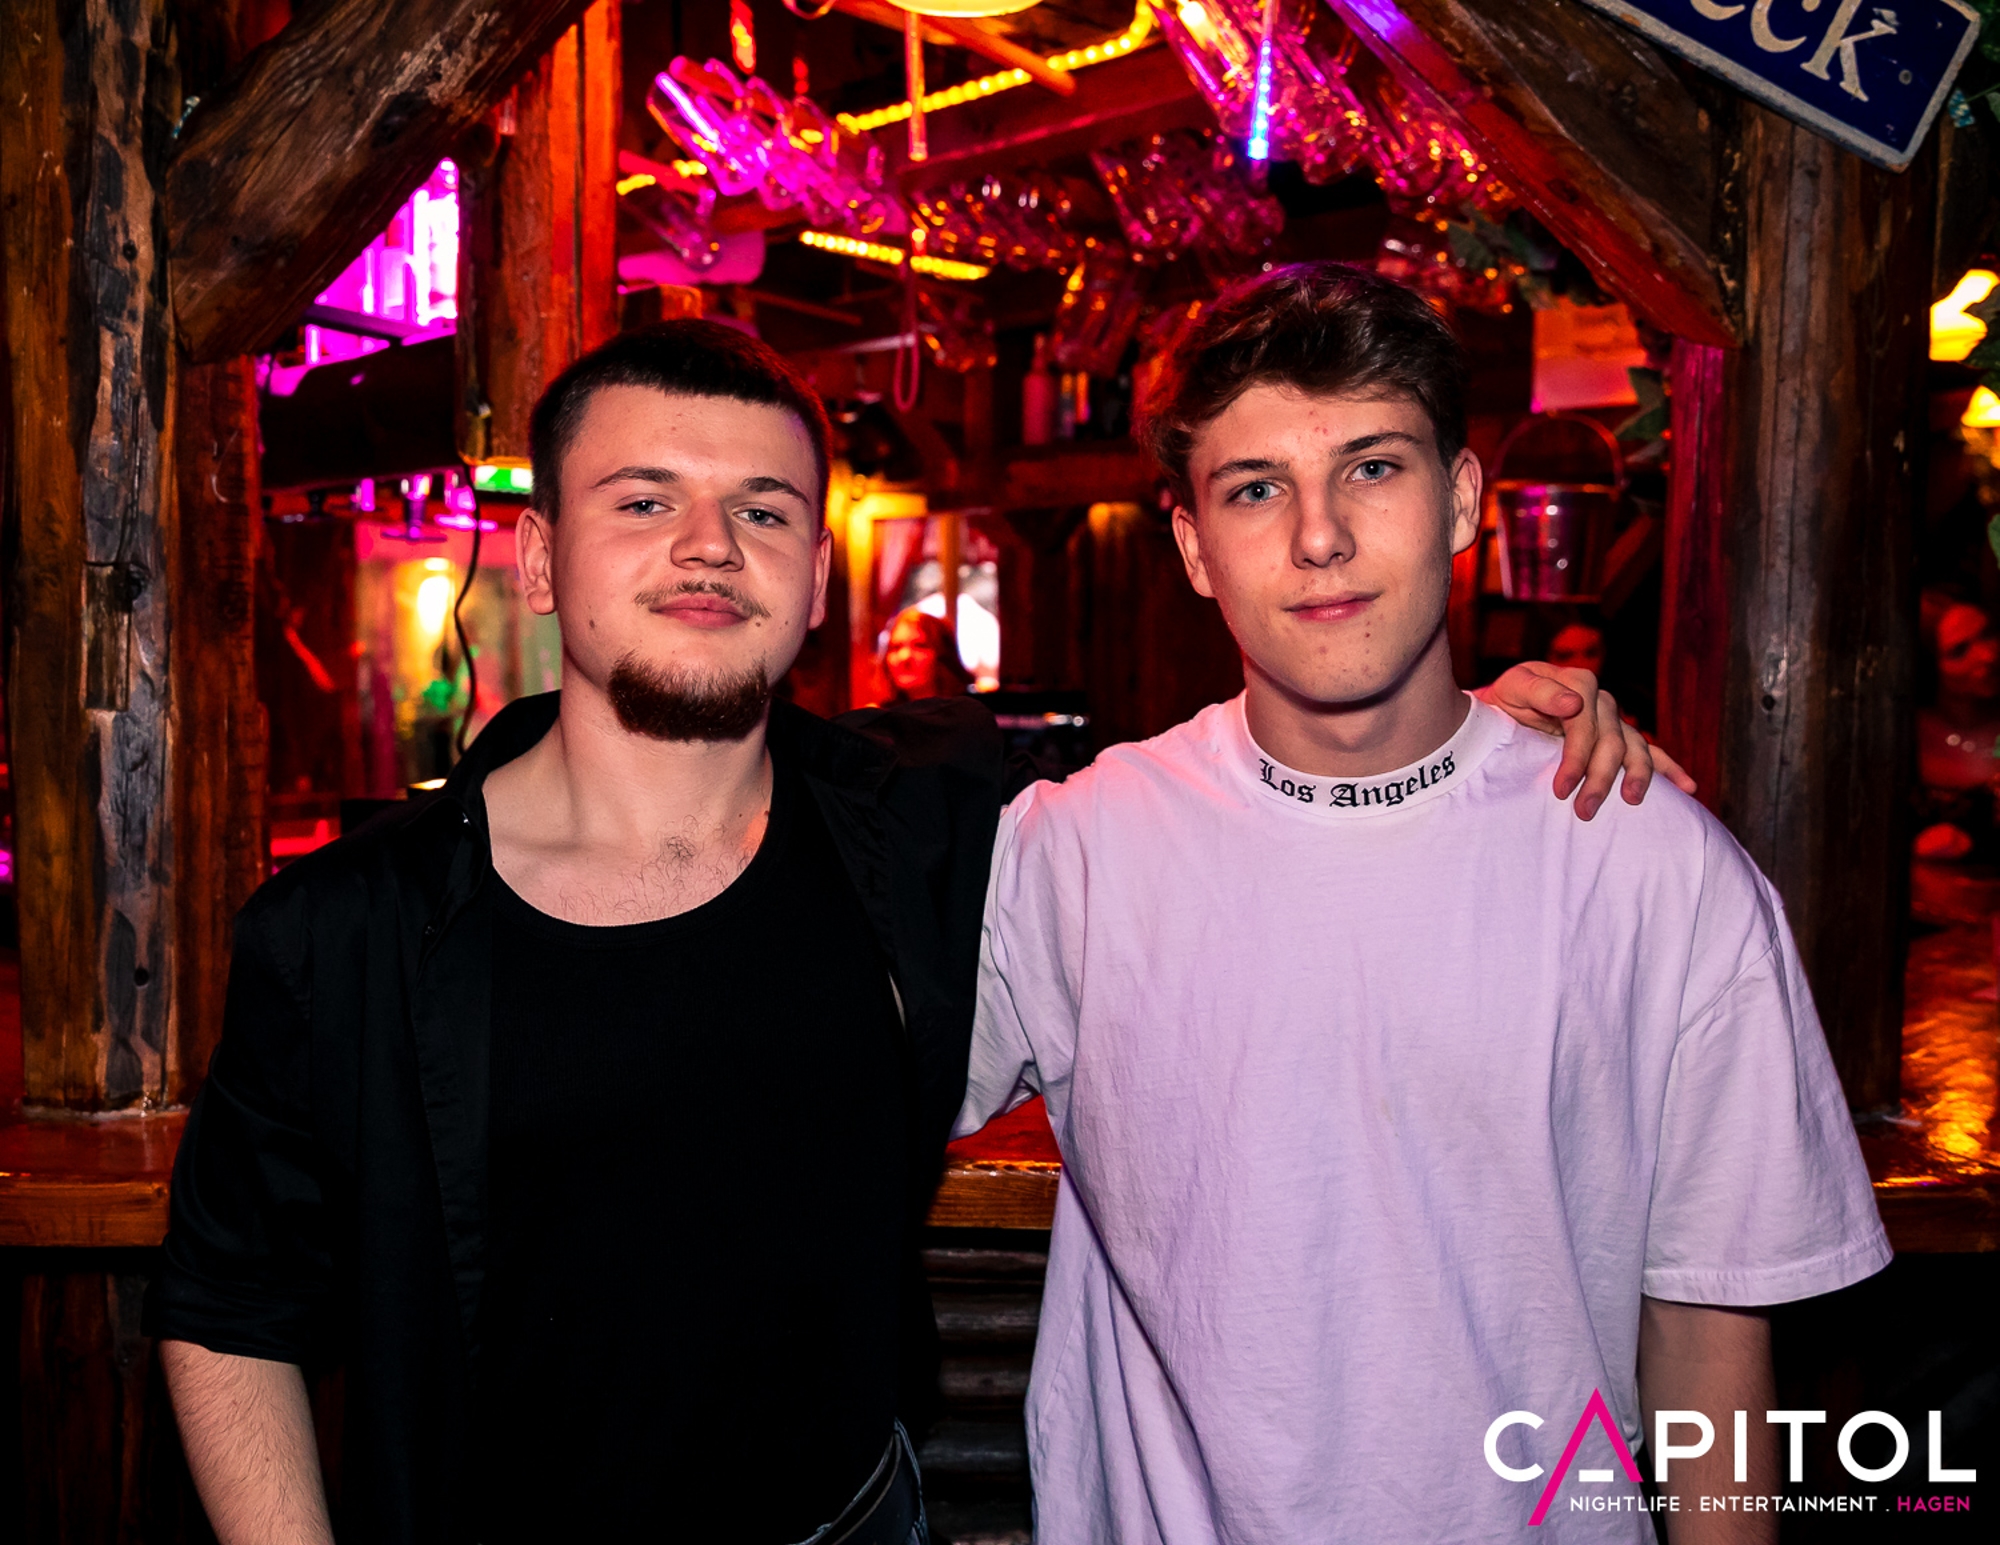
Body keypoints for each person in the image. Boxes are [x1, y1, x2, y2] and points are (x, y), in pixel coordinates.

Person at [147, 319, 1675, 1545]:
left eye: (761, 510)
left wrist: (1474, 730)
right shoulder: (340, 932)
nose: (707, 546)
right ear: (542, 558)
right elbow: (226, 1310)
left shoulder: (936, 842)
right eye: (643, 502)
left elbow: (1264, 790)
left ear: (815, 576)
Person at [957, 265, 1889, 1544]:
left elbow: (1707, 1329)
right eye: (1254, 488)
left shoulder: (1649, 864)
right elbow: (804, 1109)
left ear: (1460, 498)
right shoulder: (1073, 851)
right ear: (1191, 547)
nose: (1318, 537)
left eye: (1371, 468)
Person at [1915, 597, 2000, 861]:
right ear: (1929, 664)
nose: (1988, 655)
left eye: (1988, 634)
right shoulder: (1903, 737)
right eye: (1960, 650)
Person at [881, 605, 972, 702]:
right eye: (896, 648)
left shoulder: (970, 708)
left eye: (919, 646)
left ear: (942, 653)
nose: (905, 656)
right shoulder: (881, 711)